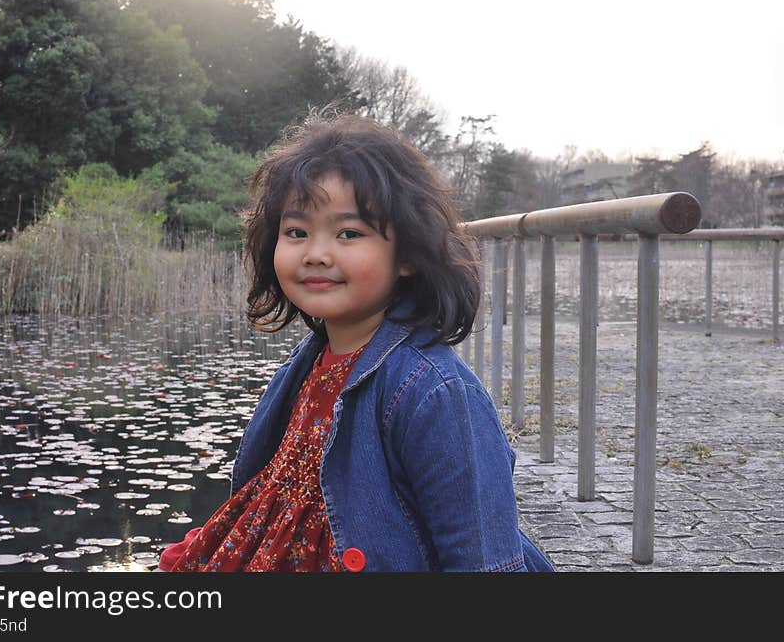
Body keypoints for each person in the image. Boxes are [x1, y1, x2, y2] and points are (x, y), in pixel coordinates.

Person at [157, 111, 554, 572]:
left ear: (406, 253)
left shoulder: (437, 395)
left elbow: (482, 558)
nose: (316, 254)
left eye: (349, 233)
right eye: (296, 232)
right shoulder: (308, 364)